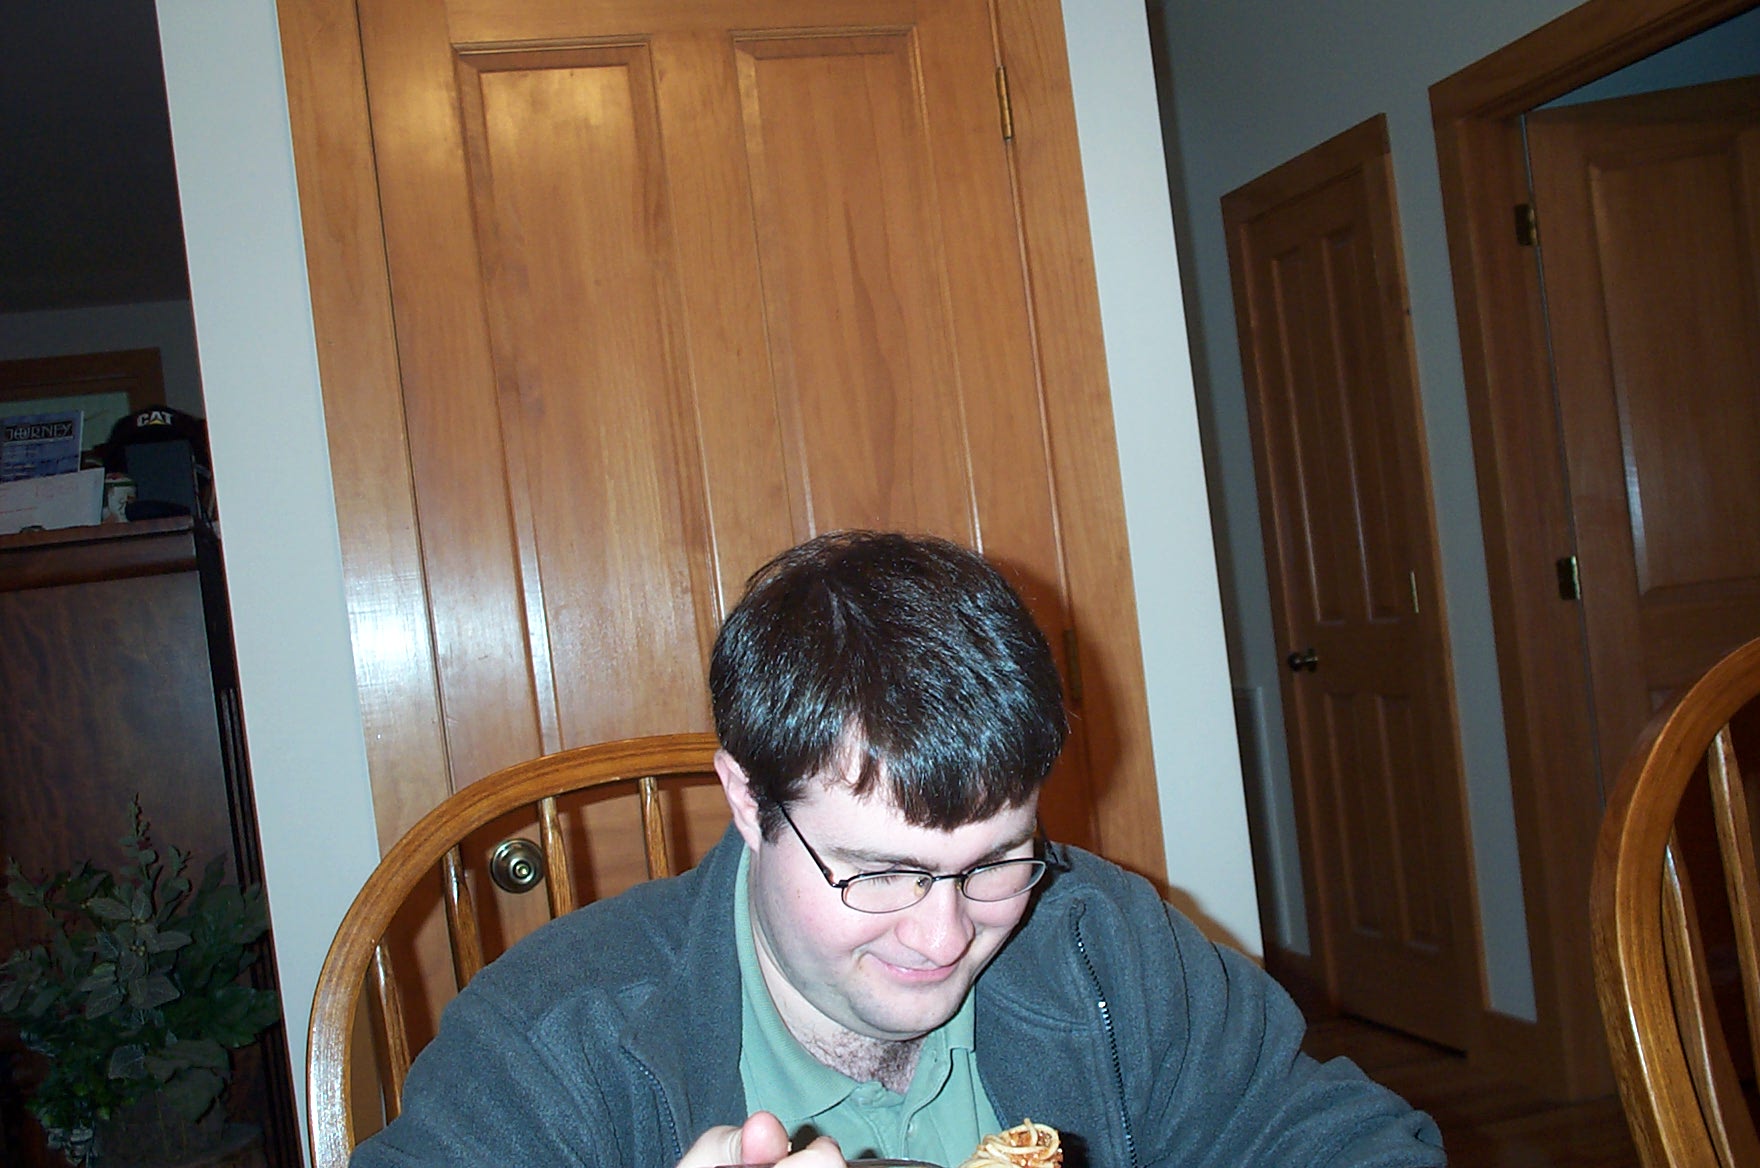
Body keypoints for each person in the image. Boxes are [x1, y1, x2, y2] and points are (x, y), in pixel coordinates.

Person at [352, 531, 1446, 1168]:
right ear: (747, 800)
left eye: (995, 861)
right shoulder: (556, 1040)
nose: (943, 936)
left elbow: (1347, 1143)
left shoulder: (1103, 943)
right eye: (881, 872)